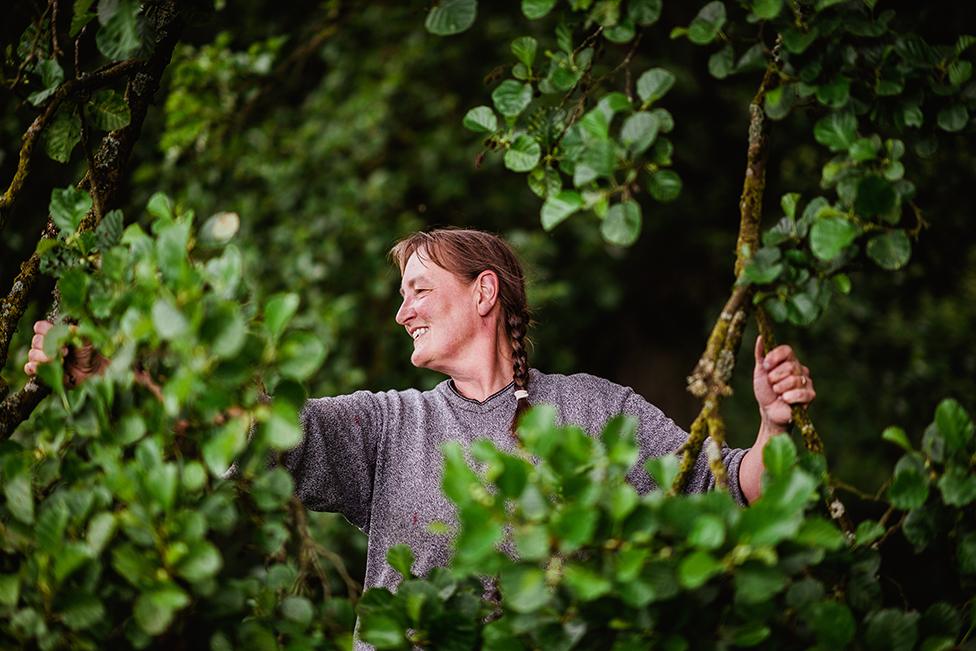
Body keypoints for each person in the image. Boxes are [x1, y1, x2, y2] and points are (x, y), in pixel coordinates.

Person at [25, 227, 815, 605]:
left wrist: (771, 426)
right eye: (399, 293)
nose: (400, 310)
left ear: (483, 292)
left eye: (417, 288)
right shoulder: (385, 424)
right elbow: (256, 431)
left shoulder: (594, 408)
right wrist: (124, 371)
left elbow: (720, 489)